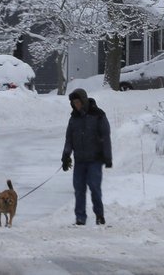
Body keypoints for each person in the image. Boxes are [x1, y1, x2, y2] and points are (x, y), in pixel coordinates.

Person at [61, 88, 112, 226]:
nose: (76, 105)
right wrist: (66, 155)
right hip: (80, 161)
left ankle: (99, 215)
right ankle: (80, 218)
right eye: (74, 103)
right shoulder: (73, 119)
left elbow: (105, 136)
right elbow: (69, 139)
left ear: (83, 101)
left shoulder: (98, 115)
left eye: (78, 102)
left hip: (95, 160)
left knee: (94, 188)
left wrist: (107, 157)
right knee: (79, 189)